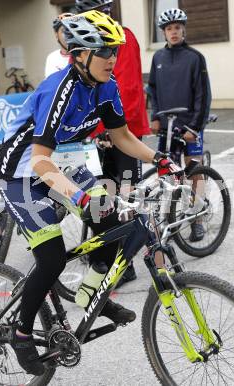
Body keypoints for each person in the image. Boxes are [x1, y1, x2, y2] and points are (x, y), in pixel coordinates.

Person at [0, 11, 178, 375]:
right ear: (78, 54)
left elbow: (122, 135)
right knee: (51, 257)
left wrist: (161, 158)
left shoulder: (106, 85)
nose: (113, 58)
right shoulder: (57, 90)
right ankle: (22, 333)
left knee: (111, 214)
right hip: (24, 172)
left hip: (62, 162)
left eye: (116, 50)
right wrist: (78, 198)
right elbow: (41, 160)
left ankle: (91, 291)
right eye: (104, 50)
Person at [75, 0, 151, 287]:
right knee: (103, 192)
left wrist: (110, 129)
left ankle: (127, 262)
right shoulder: (85, 42)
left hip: (123, 127)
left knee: (128, 194)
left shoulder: (123, 36)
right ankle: (108, 252)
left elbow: (128, 86)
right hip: (99, 132)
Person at [148, 8, 212, 242]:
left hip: (190, 126)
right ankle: (170, 215)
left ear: (183, 29)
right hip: (166, 125)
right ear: (163, 33)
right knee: (167, 173)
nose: (173, 32)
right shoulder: (158, 58)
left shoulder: (195, 57)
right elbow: (152, 90)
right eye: (168, 29)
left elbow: (203, 95)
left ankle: (197, 218)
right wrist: (154, 116)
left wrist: (194, 127)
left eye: (177, 28)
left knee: (193, 172)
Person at [44, 13, 73, 78]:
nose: (69, 35)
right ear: (56, 35)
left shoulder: (84, 55)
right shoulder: (52, 58)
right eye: (64, 31)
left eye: (72, 30)